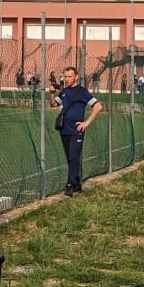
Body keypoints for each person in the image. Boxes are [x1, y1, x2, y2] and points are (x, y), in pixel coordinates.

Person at [50, 63, 103, 193]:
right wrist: (51, 93)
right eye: (65, 76)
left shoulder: (82, 92)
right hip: (64, 129)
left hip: (76, 130)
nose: (67, 79)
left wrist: (86, 123)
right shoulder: (64, 91)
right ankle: (77, 183)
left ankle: (69, 185)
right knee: (70, 157)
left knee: (74, 157)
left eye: (70, 76)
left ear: (76, 77)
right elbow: (53, 104)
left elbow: (98, 106)